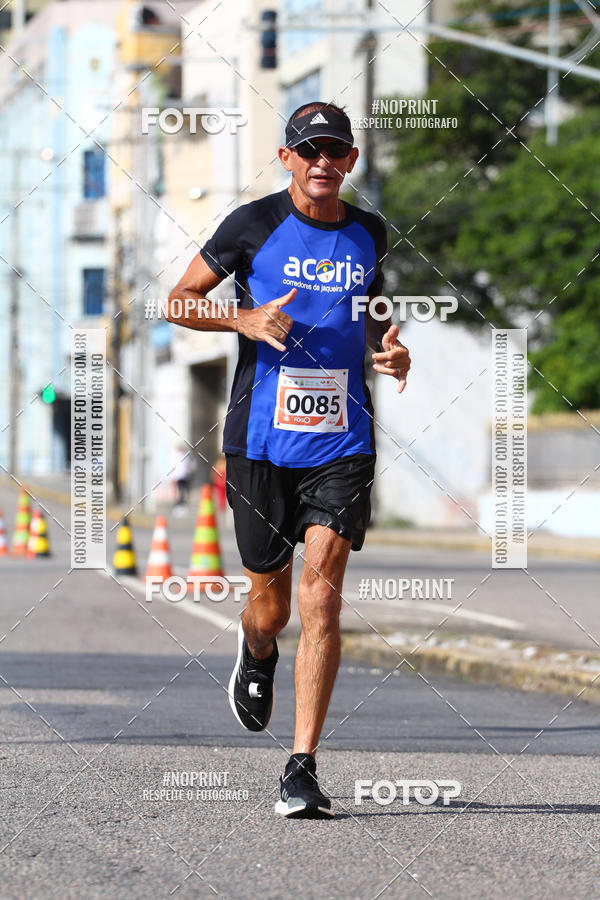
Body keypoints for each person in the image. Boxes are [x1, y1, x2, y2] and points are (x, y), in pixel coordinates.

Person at [167, 101, 411, 818]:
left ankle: (301, 765)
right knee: (271, 604)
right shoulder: (251, 224)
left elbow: (372, 312)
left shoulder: (370, 231)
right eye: (309, 150)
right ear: (286, 159)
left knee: (322, 592)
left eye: (335, 150)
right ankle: (257, 645)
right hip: (260, 444)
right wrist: (239, 317)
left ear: (351, 161)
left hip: (342, 442)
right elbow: (178, 301)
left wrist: (389, 347)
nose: (322, 163)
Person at [171, 443, 195, 513]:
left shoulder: (187, 456)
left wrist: (190, 471)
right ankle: (178, 504)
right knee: (179, 490)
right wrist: (173, 476)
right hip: (178, 476)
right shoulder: (176, 456)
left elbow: (192, 465)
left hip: (185, 476)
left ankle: (183, 503)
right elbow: (174, 467)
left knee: (185, 490)